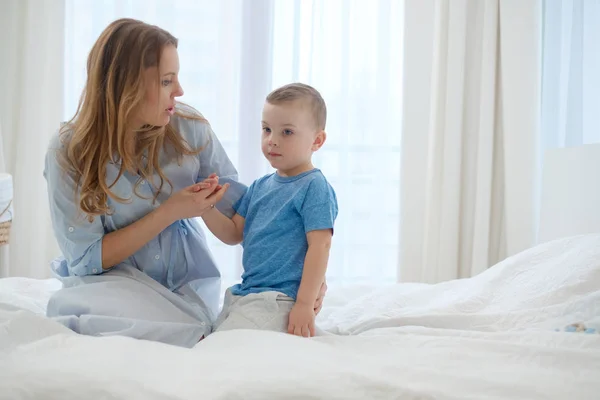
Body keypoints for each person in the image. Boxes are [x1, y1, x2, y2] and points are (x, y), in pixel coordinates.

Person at [43, 18, 326, 348]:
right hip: (113, 284)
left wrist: (306, 281)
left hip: (185, 286)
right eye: (166, 81)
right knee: (79, 310)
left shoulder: (189, 127)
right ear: (127, 86)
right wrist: (170, 211)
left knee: (176, 325)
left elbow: (253, 219)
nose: (179, 91)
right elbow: (86, 259)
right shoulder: (68, 151)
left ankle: (194, 334)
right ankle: (192, 336)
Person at [201, 83, 338, 338]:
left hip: (280, 299)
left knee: (225, 346)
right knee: (208, 338)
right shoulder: (259, 186)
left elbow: (321, 247)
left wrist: (305, 304)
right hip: (246, 294)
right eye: (266, 129)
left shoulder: (313, 186)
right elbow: (234, 234)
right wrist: (205, 207)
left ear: (317, 140)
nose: (272, 140)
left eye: (287, 132)